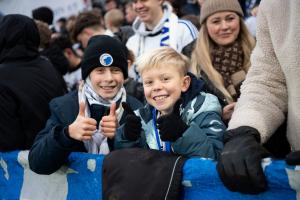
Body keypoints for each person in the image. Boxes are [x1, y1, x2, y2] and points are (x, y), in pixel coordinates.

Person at [217, 0, 300, 194]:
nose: (224, 27)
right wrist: (244, 129)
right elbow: (268, 79)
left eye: (230, 18)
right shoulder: (275, 4)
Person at [29, 35, 143, 175]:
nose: (109, 78)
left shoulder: (136, 108)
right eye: (100, 71)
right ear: (88, 74)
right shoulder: (64, 107)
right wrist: (67, 134)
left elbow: (143, 166)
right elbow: (37, 164)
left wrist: (119, 138)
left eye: (115, 70)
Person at [115, 47, 225, 159]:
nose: (156, 87)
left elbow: (215, 158)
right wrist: (127, 137)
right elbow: (128, 161)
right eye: (149, 82)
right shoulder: (142, 118)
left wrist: (182, 133)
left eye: (165, 79)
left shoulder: (203, 109)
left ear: (184, 83)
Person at [0, 14, 66, 151]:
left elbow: (8, 139)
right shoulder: (48, 65)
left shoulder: (3, 76)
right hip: (59, 149)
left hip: (28, 162)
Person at [188, 0, 255, 121]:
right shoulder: (188, 58)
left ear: (239, 20)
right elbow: (188, 111)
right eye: (216, 21)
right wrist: (218, 116)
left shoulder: (260, 49)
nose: (224, 26)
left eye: (230, 18)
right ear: (205, 25)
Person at [126, 0, 198, 81]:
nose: (139, 6)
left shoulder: (183, 29)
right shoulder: (132, 42)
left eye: (144, 0)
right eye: (135, 2)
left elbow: (197, 74)